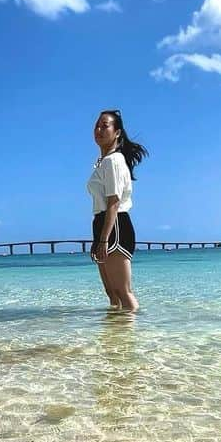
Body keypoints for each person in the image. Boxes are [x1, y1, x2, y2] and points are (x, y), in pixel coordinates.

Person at [87, 109, 146, 313]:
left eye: (105, 125)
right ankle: (115, 341)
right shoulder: (103, 163)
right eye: (97, 125)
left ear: (117, 132)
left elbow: (114, 201)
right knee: (112, 293)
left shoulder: (114, 161)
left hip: (115, 225)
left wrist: (103, 239)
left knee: (123, 292)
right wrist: (98, 237)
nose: (99, 129)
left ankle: (130, 341)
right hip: (102, 223)